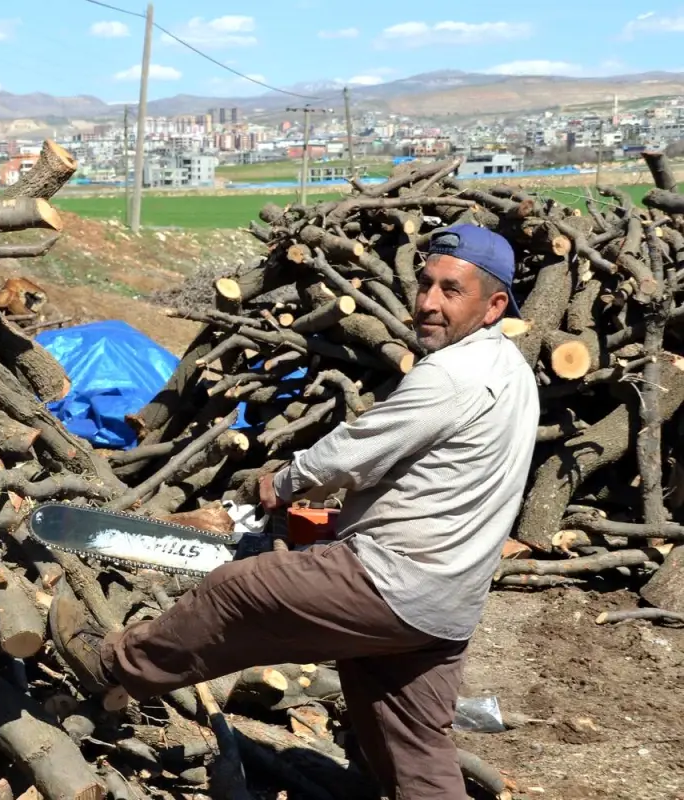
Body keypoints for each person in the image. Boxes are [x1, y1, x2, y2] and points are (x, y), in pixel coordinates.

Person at [50, 224, 540, 800]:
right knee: (413, 742)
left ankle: (113, 665)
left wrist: (282, 484)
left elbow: (357, 447)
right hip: (450, 603)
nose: (429, 303)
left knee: (236, 588)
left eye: (451, 291)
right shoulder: (510, 369)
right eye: (425, 284)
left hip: (395, 581)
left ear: (494, 304)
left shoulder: (452, 375)